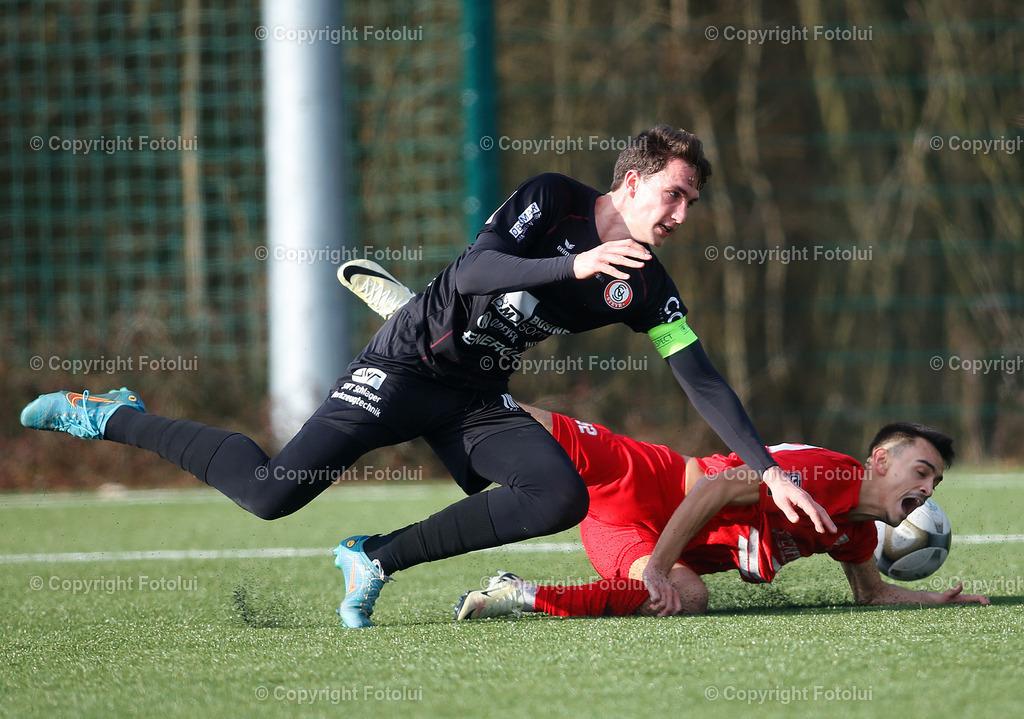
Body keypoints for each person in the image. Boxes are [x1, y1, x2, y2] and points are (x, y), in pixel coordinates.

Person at [20, 125, 835, 630]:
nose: (681, 216)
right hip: (405, 362)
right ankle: (111, 413)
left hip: (475, 395)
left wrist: (764, 468)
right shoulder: (553, 201)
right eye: (674, 195)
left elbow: (701, 376)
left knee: (557, 495)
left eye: (692, 203)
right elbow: (479, 267)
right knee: (270, 491)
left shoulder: (647, 284)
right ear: (632, 181)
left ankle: (372, 557)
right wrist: (577, 261)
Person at [453, 406, 990, 620]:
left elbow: (871, 594)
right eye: (922, 471)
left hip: (628, 536)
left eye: (936, 481)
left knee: (689, 599)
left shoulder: (855, 536)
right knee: (536, 428)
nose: (928, 488)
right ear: (880, 460)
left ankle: (517, 593)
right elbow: (712, 488)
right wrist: (661, 564)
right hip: (648, 483)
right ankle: (461, 371)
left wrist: (934, 599)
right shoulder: (825, 472)